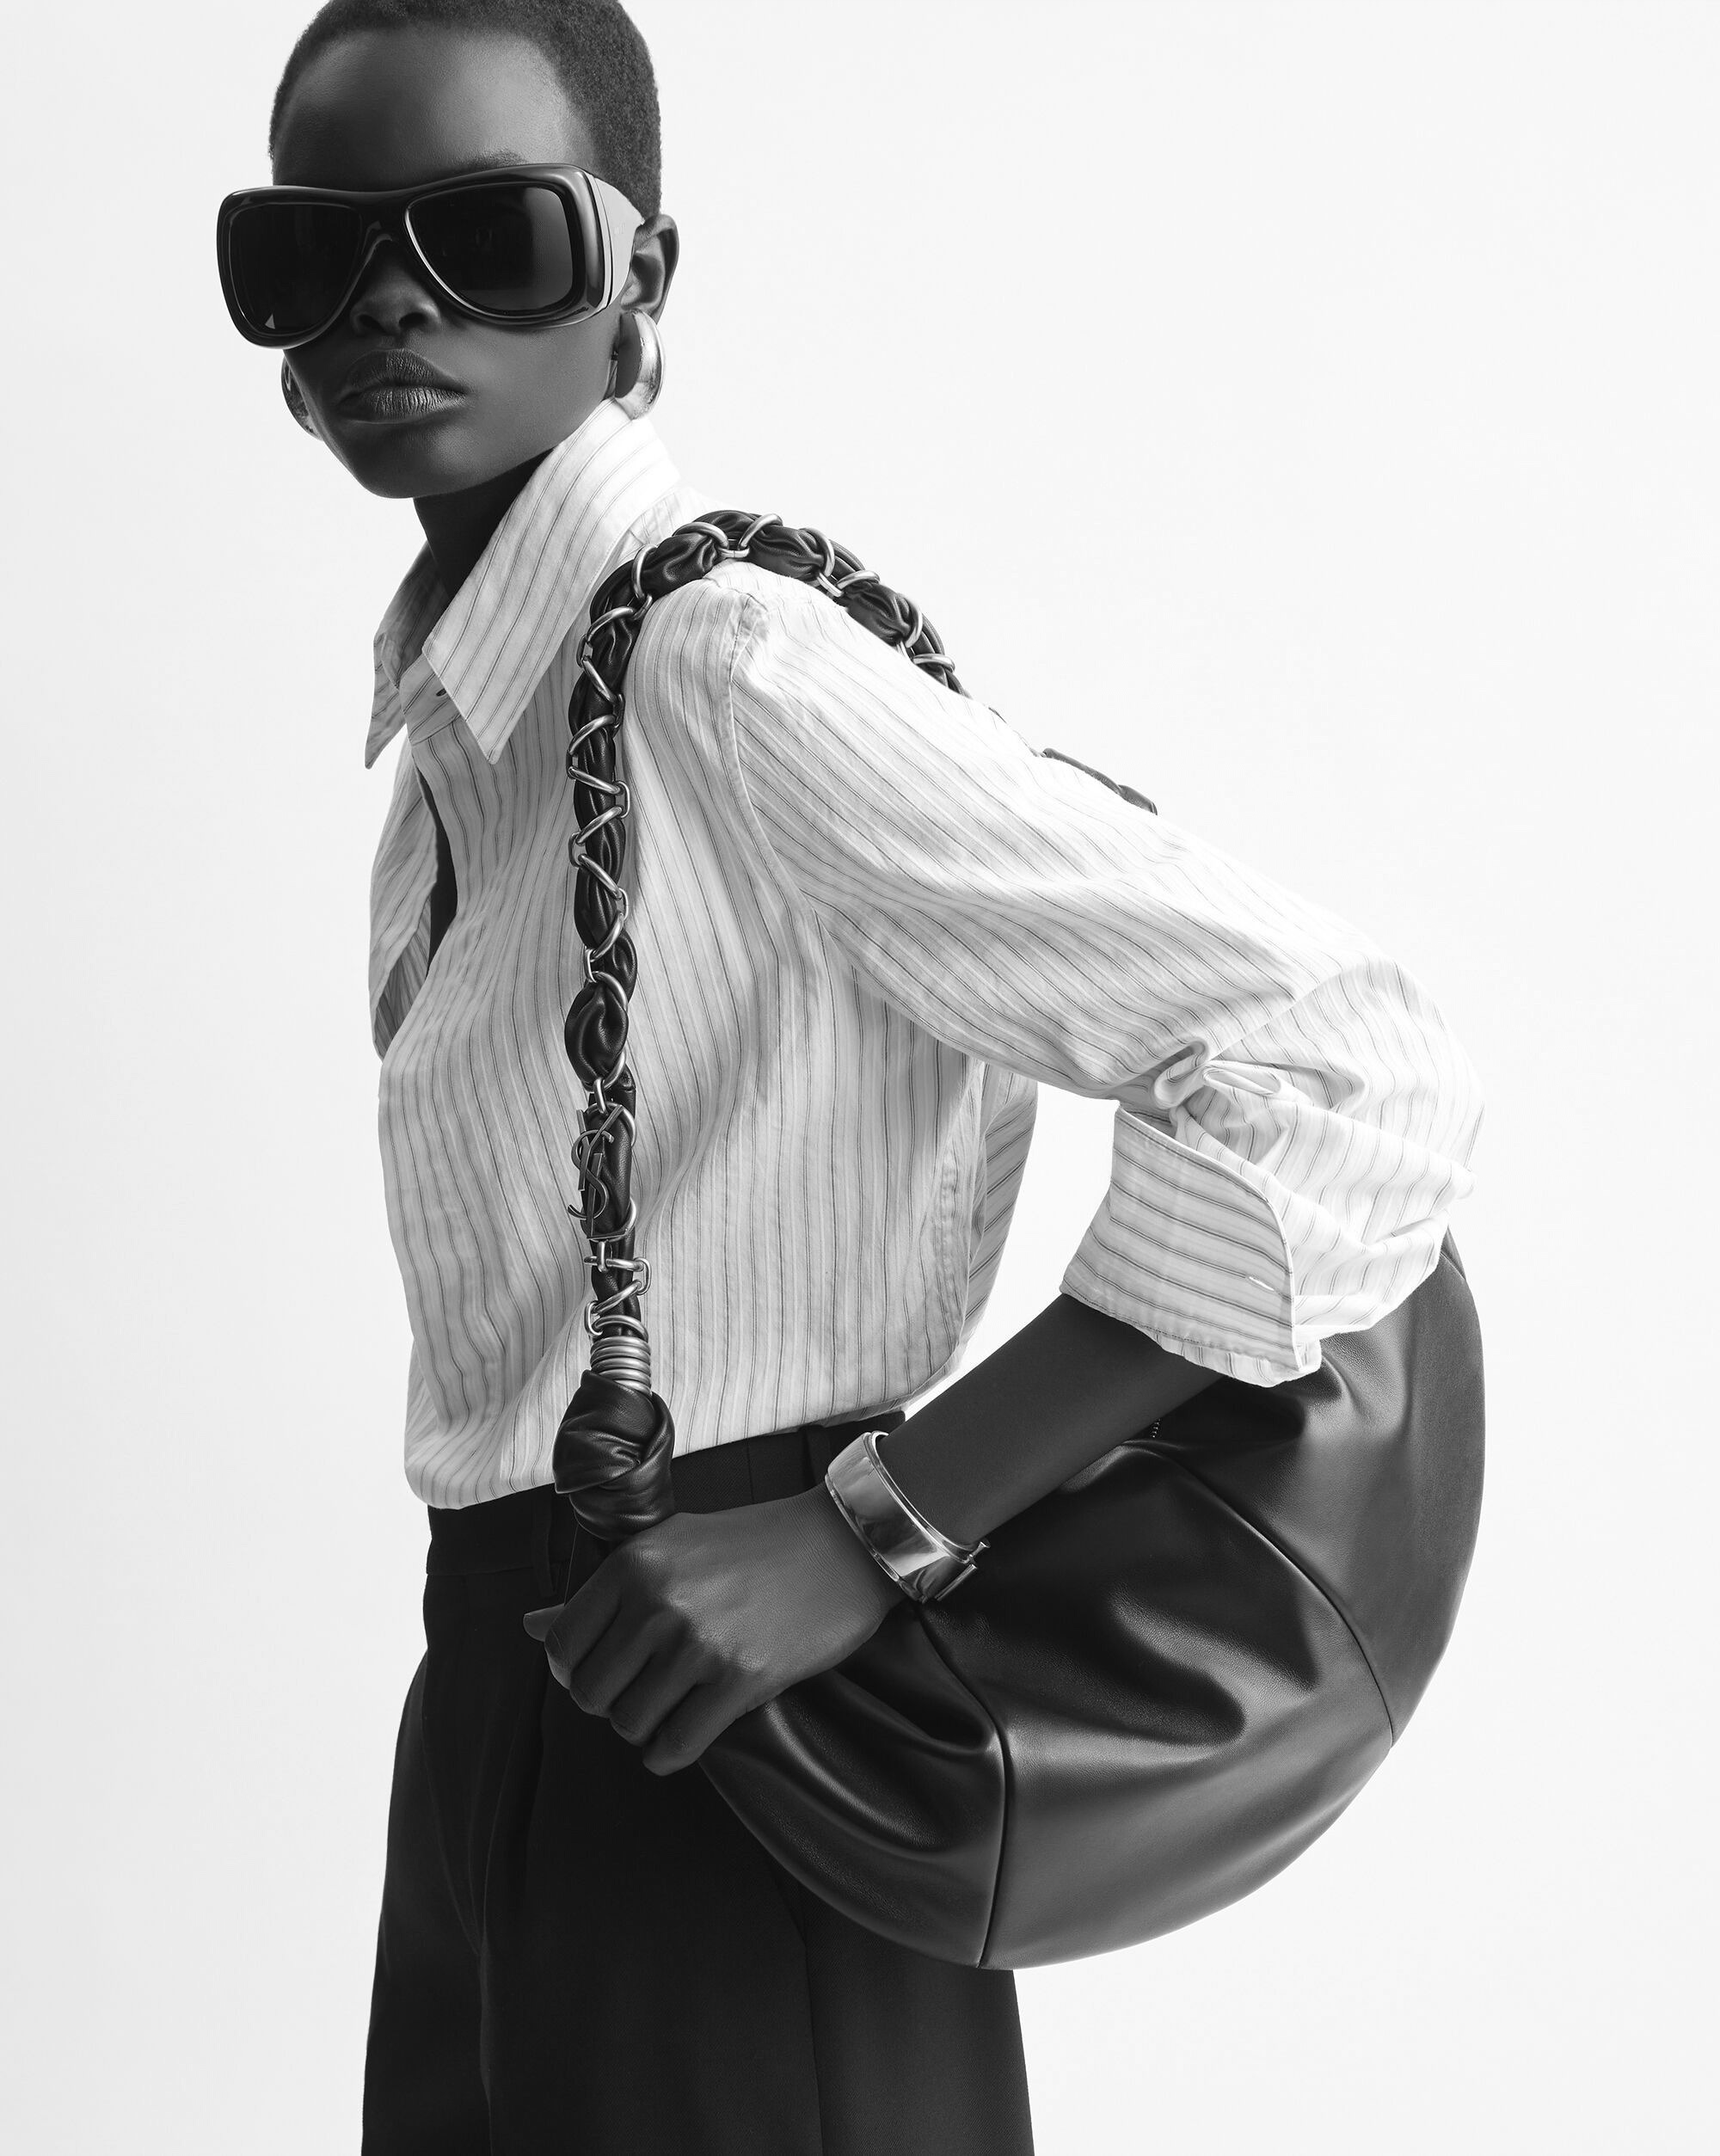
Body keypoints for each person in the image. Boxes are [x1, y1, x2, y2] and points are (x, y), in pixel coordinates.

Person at [218, 3, 1485, 2148]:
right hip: (507, 1714)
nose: (389, 304)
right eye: (307, 255)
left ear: (639, 275)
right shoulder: (462, 743)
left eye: (490, 235)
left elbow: (1345, 1066)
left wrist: (868, 1529)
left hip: (738, 1731)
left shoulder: (723, 663)